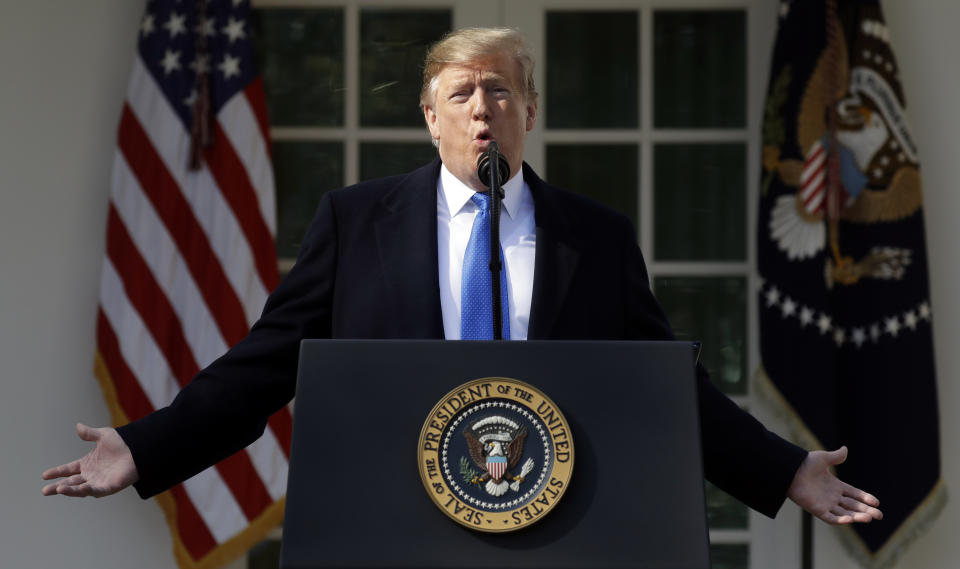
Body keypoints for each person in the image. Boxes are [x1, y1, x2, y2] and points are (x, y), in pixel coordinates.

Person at [43, 27, 881, 526]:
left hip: (555, 527)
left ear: (530, 110)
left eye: (502, 91)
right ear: (430, 115)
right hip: (392, 524)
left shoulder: (594, 238)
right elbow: (263, 367)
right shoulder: (357, 221)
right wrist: (147, 446)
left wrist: (785, 470)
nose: (484, 108)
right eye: (463, 93)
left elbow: (669, 387)